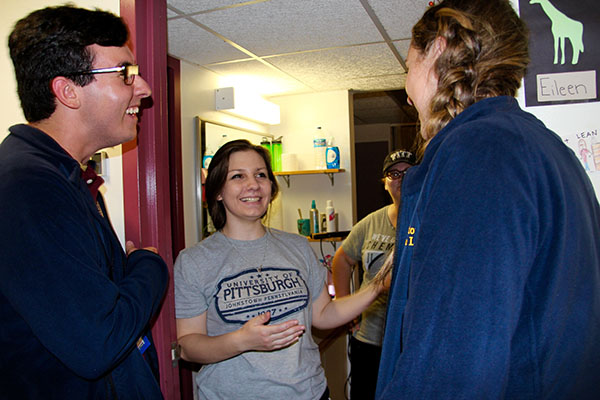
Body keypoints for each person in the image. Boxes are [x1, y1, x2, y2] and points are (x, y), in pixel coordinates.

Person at [376, 1, 600, 399]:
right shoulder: (550, 150)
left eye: (408, 67)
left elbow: (451, 365)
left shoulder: (479, 150)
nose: (408, 96)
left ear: (440, 49)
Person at [0, 5, 169, 399]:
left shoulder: (70, 178)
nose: (143, 88)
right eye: (126, 74)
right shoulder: (28, 188)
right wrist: (150, 264)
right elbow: (99, 341)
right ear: (67, 91)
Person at [175, 139, 386, 400]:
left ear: (271, 187)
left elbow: (323, 314)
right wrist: (243, 341)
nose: (253, 184)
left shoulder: (297, 246)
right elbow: (188, 346)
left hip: (310, 392)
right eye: (238, 176)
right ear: (218, 190)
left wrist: (377, 286)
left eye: (260, 175)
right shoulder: (194, 260)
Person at [332, 149, 415, 400]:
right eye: (393, 174)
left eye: (408, 173)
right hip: (369, 338)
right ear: (385, 182)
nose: (400, 179)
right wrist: (345, 306)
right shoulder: (371, 223)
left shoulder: (429, 220)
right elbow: (342, 259)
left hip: (409, 341)